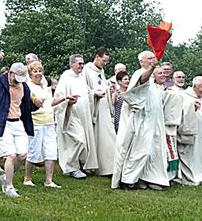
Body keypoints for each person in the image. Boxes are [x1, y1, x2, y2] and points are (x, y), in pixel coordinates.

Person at [112, 51, 169, 190]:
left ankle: (150, 178)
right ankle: (128, 179)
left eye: (153, 58)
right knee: (140, 151)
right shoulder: (140, 73)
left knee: (154, 150)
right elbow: (142, 80)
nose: (152, 60)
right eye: (149, 58)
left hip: (153, 121)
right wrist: (151, 68)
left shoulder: (153, 82)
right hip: (141, 121)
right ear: (141, 61)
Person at [0, 53, 34, 198]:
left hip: (18, 123)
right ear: (10, 74)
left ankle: (5, 177)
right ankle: (9, 187)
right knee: (10, 156)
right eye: (16, 78)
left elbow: (26, 105)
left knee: (22, 156)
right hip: (2, 124)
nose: (18, 82)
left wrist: (37, 105)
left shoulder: (24, 87)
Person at [53, 54, 98, 179]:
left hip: (83, 114)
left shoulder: (81, 77)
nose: (82, 66)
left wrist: (95, 94)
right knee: (80, 139)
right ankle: (70, 167)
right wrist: (68, 102)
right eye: (79, 64)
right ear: (72, 64)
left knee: (82, 141)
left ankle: (78, 165)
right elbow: (59, 96)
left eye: (83, 64)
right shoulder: (65, 77)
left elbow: (87, 92)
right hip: (70, 114)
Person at [24, 61, 61, 188]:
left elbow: (50, 102)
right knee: (33, 151)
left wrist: (65, 98)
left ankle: (49, 181)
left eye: (40, 71)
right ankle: (27, 178)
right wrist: (35, 101)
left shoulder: (45, 88)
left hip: (49, 122)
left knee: (51, 151)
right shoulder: (27, 87)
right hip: (36, 123)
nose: (38, 74)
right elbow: (30, 101)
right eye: (35, 71)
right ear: (30, 74)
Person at [83, 47, 116, 176]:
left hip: (103, 107)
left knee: (109, 136)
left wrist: (108, 89)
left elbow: (101, 85)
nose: (105, 64)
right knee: (96, 137)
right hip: (93, 108)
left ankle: (109, 166)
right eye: (103, 60)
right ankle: (95, 166)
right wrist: (94, 94)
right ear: (97, 57)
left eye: (107, 61)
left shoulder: (101, 71)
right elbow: (84, 89)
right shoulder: (86, 70)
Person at [175, 76, 202, 186]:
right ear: (195, 86)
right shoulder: (184, 96)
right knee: (190, 155)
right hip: (189, 132)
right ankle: (191, 178)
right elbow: (180, 110)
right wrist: (191, 106)